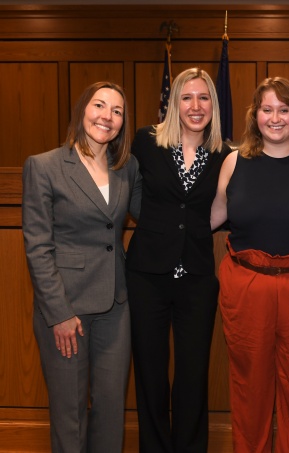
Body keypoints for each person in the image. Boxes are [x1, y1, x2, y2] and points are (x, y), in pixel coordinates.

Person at [210, 76, 289, 452]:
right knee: (250, 385)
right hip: (247, 284)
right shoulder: (234, 161)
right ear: (255, 115)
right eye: (267, 109)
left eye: (284, 109)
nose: (275, 118)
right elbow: (212, 216)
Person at [22, 81, 141, 452]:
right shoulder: (44, 166)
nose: (107, 116)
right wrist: (58, 314)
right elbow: (38, 246)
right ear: (82, 110)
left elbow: (153, 217)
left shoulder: (127, 167)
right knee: (70, 414)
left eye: (117, 111)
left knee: (110, 411)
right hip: (66, 308)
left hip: (116, 307)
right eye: (100, 106)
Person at [125, 67, 227, 452]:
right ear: (174, 102)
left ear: (213, 106)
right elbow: (124, 188)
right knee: (150, 372)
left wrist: (197, 230)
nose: (195, 106)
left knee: (192, 373)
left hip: (198, 276)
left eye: (203, 98)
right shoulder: (146, 141)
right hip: (147, 274)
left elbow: (223, 207)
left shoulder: (225, 153)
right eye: (187, 97)